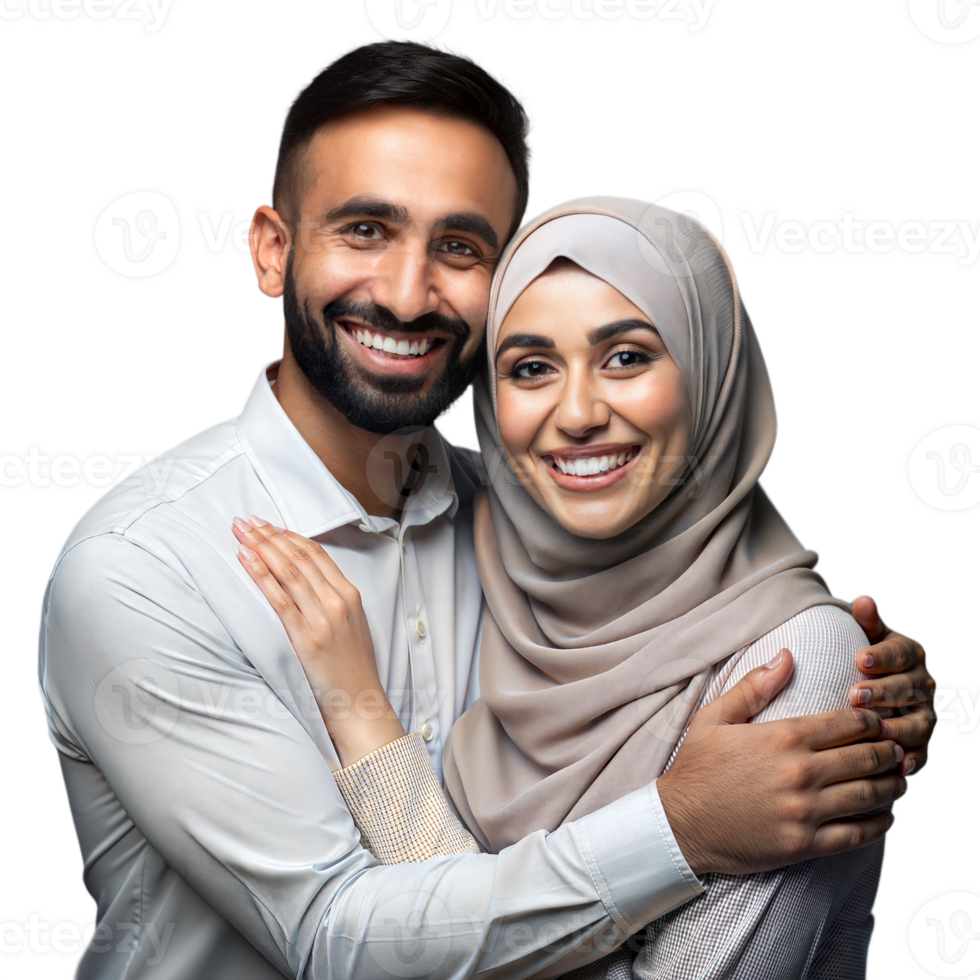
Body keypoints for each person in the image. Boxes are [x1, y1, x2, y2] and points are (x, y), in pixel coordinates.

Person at [35, 39, 935, 980]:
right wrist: (681, 827)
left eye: (460, 247)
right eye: (365, 230)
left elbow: (695, 607)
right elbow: (334, 938)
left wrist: (853, 677)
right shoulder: (146, 567)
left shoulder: (532, 524)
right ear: (270, 250)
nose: (408, 292)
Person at [236, 196, 909, 978]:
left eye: (627, 357)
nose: (579, 414)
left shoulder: (807, 659)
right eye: (530, 368)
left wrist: (372, 737)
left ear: (710, 369)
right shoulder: (496, 582)